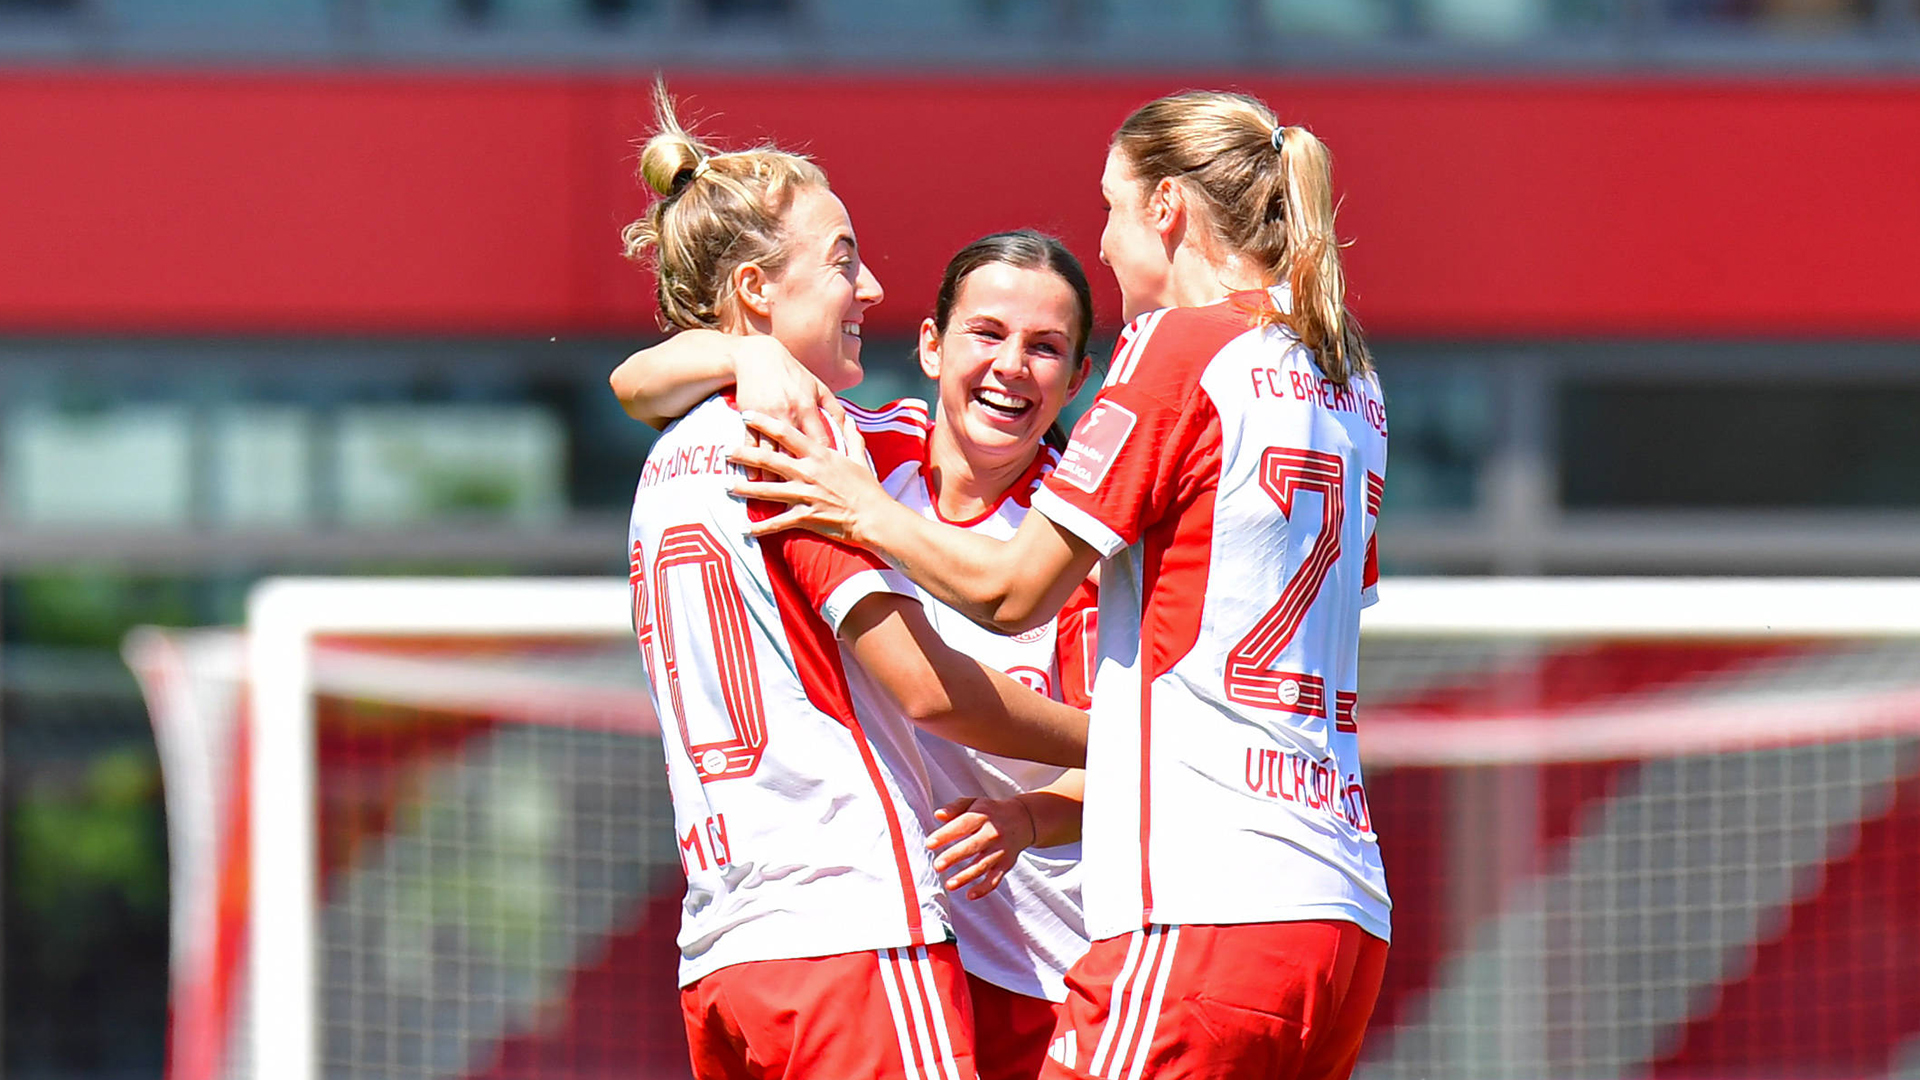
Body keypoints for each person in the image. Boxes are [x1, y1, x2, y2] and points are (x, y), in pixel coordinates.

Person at [729, 90, 1391, 1080]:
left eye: (1111, 210)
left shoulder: (1180, 343)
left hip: (1201, 905)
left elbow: (1008, 593)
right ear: (931, 346)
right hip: (1339, 913)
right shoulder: (1349, 376)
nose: (1109, 243)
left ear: (1165, 209)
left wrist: (856, 511)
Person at [620, 86, 1089, 1080]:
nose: (870, 284)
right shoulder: (819, 441)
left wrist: (738, 351)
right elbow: (922, 685)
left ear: (1077, 375)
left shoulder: (677, 445)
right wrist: (1146, 740)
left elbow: (635, 382)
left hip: (731, 941)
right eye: (842, 261)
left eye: (1048, 346)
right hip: (848, 921)